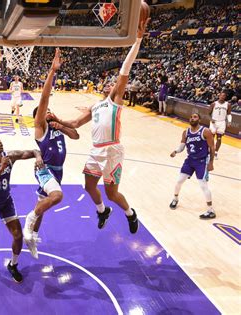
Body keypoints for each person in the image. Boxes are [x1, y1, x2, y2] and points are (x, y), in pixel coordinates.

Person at [48, 16, 151, 234]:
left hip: (112, 149)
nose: (111, 84)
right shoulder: (95, 106)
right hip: (96, 149)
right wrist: (58, 121)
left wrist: (137, 40)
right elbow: (75, 123)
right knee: (89, 186)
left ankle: (130, 214)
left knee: (112, 193)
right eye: (108, 83)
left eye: (113, 84)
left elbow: (124, 69)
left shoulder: (115, 102)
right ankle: (102, 210)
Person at [23, 48, 80, 259]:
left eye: (48, 110)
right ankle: (28, 221)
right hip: (45, 170)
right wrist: (52, 72)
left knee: (42, 207)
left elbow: (76, 136)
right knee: (57, 196)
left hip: (58, 172)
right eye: (44, 111)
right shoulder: (41, 128)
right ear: (38, 116)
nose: (48, 111)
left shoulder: (55, 126)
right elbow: (44, 98)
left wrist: (62, 124)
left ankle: (31, 239)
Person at [0, 134, 43, 282]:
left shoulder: (10, 156)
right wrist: (1, 169)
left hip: (6, 201)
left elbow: (32, 151)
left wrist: (38, 157)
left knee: (18, 236)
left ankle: (13, 264)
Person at [169, 113, 216, 219]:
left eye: (195, 117)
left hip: (202, 162)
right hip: (190, 160)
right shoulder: (186, 132)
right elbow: (182, 146)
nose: (192, 118)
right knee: (179, 181)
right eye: (191, 117)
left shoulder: (206, 131)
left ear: (199, 119)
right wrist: (176, 151)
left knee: (203, 185)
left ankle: (210, 210)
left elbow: (212, 148)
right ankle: (175, 199)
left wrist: (211, 163)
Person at [209, 91, 231, 159]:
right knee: (211, 137)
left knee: (219, 138)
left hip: (222, 122)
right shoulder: (213, 104)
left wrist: (229, 121)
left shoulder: (228, 104)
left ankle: (215, 153)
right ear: (219, 96)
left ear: (225, 97)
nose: (222, 97)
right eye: (221, 95)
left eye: (224, 96)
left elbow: (229, 114)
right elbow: (209, 113)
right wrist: (211, 119)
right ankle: (210, 151)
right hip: (214, 122)